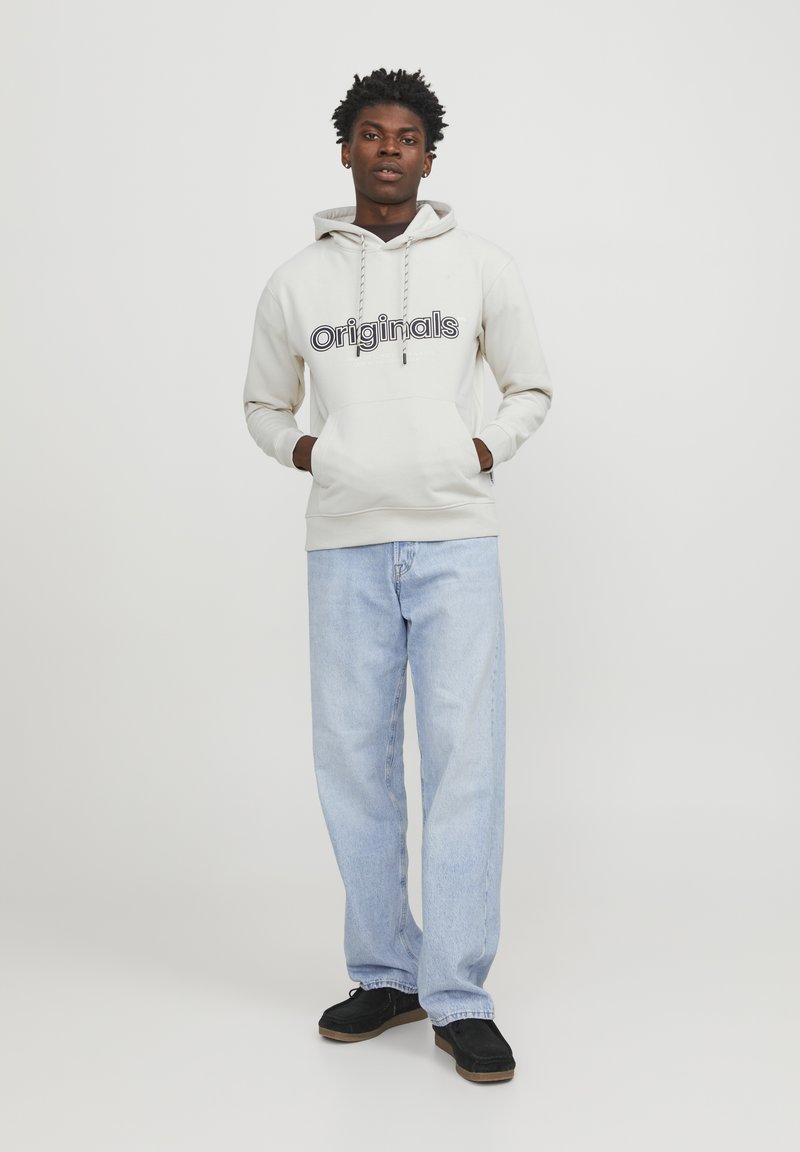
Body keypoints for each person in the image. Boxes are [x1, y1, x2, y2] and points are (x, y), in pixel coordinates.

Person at [242, 67, 553, 1083]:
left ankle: (457, 994)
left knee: (465, 763)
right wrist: (311, 454)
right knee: (353, 762)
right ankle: (385, 973)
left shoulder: (480, 266)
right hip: (344, 544)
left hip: (455, 541)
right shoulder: (296, 281)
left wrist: (479, 449)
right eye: (371, 134)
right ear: (346, 149)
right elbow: (262, 405)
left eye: (406, 137)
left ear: (427, 154)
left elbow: (529, 384)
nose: (388, 149)